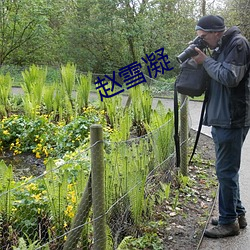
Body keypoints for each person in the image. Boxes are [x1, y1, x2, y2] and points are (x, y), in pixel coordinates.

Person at [192, 15, 250, 238]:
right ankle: (237, 214)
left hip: (232, 118)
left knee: (225, 171)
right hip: (222, 117)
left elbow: (229, 77)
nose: (203, 41)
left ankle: (228, 223)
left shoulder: (238, 44)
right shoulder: (221, 46)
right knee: (227, 171)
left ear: (216, 32)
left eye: (204, 37)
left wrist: (205, 61)